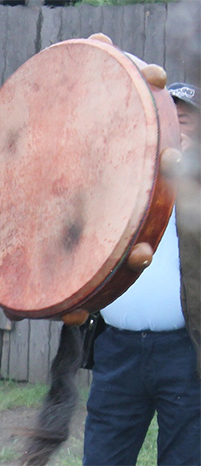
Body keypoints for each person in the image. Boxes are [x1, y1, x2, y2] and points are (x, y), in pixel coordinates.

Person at [82, 82, 201, 465]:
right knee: (104, 458)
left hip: (186, 352)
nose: (179, 118)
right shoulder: (122, 173)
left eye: (188, 114)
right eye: (169, 111)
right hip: (117, 348)